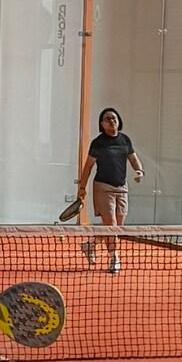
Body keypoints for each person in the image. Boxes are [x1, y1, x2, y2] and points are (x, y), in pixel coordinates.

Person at [75, 107, 144, 274]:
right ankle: (114, 258)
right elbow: (88, 167)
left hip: (122, 188)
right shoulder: (98, 143)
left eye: (114, 118)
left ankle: (90, 244)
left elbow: (134, 159)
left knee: (117, 226)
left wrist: (140, 171)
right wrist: (82, 188)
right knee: (111, 225)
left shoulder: (125, 140)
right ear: (102, 124)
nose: (112, 120)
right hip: (103, 188)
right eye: (108, 118)